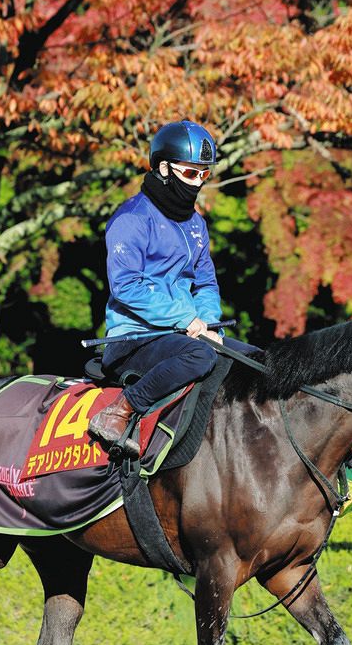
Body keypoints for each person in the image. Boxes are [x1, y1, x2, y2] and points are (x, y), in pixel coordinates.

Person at [88, 119, 251, 457]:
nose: (198, 183)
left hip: (186, 333)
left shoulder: (196, 225)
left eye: (204, 175)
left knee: (252, 359)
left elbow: (206, 282)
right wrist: (186, 318)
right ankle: (120, 410)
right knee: (199, 355)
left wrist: (207, 323)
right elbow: (126, 286)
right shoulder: (130, 219)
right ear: (164, 167)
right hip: (133, 338)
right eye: (191, 174)